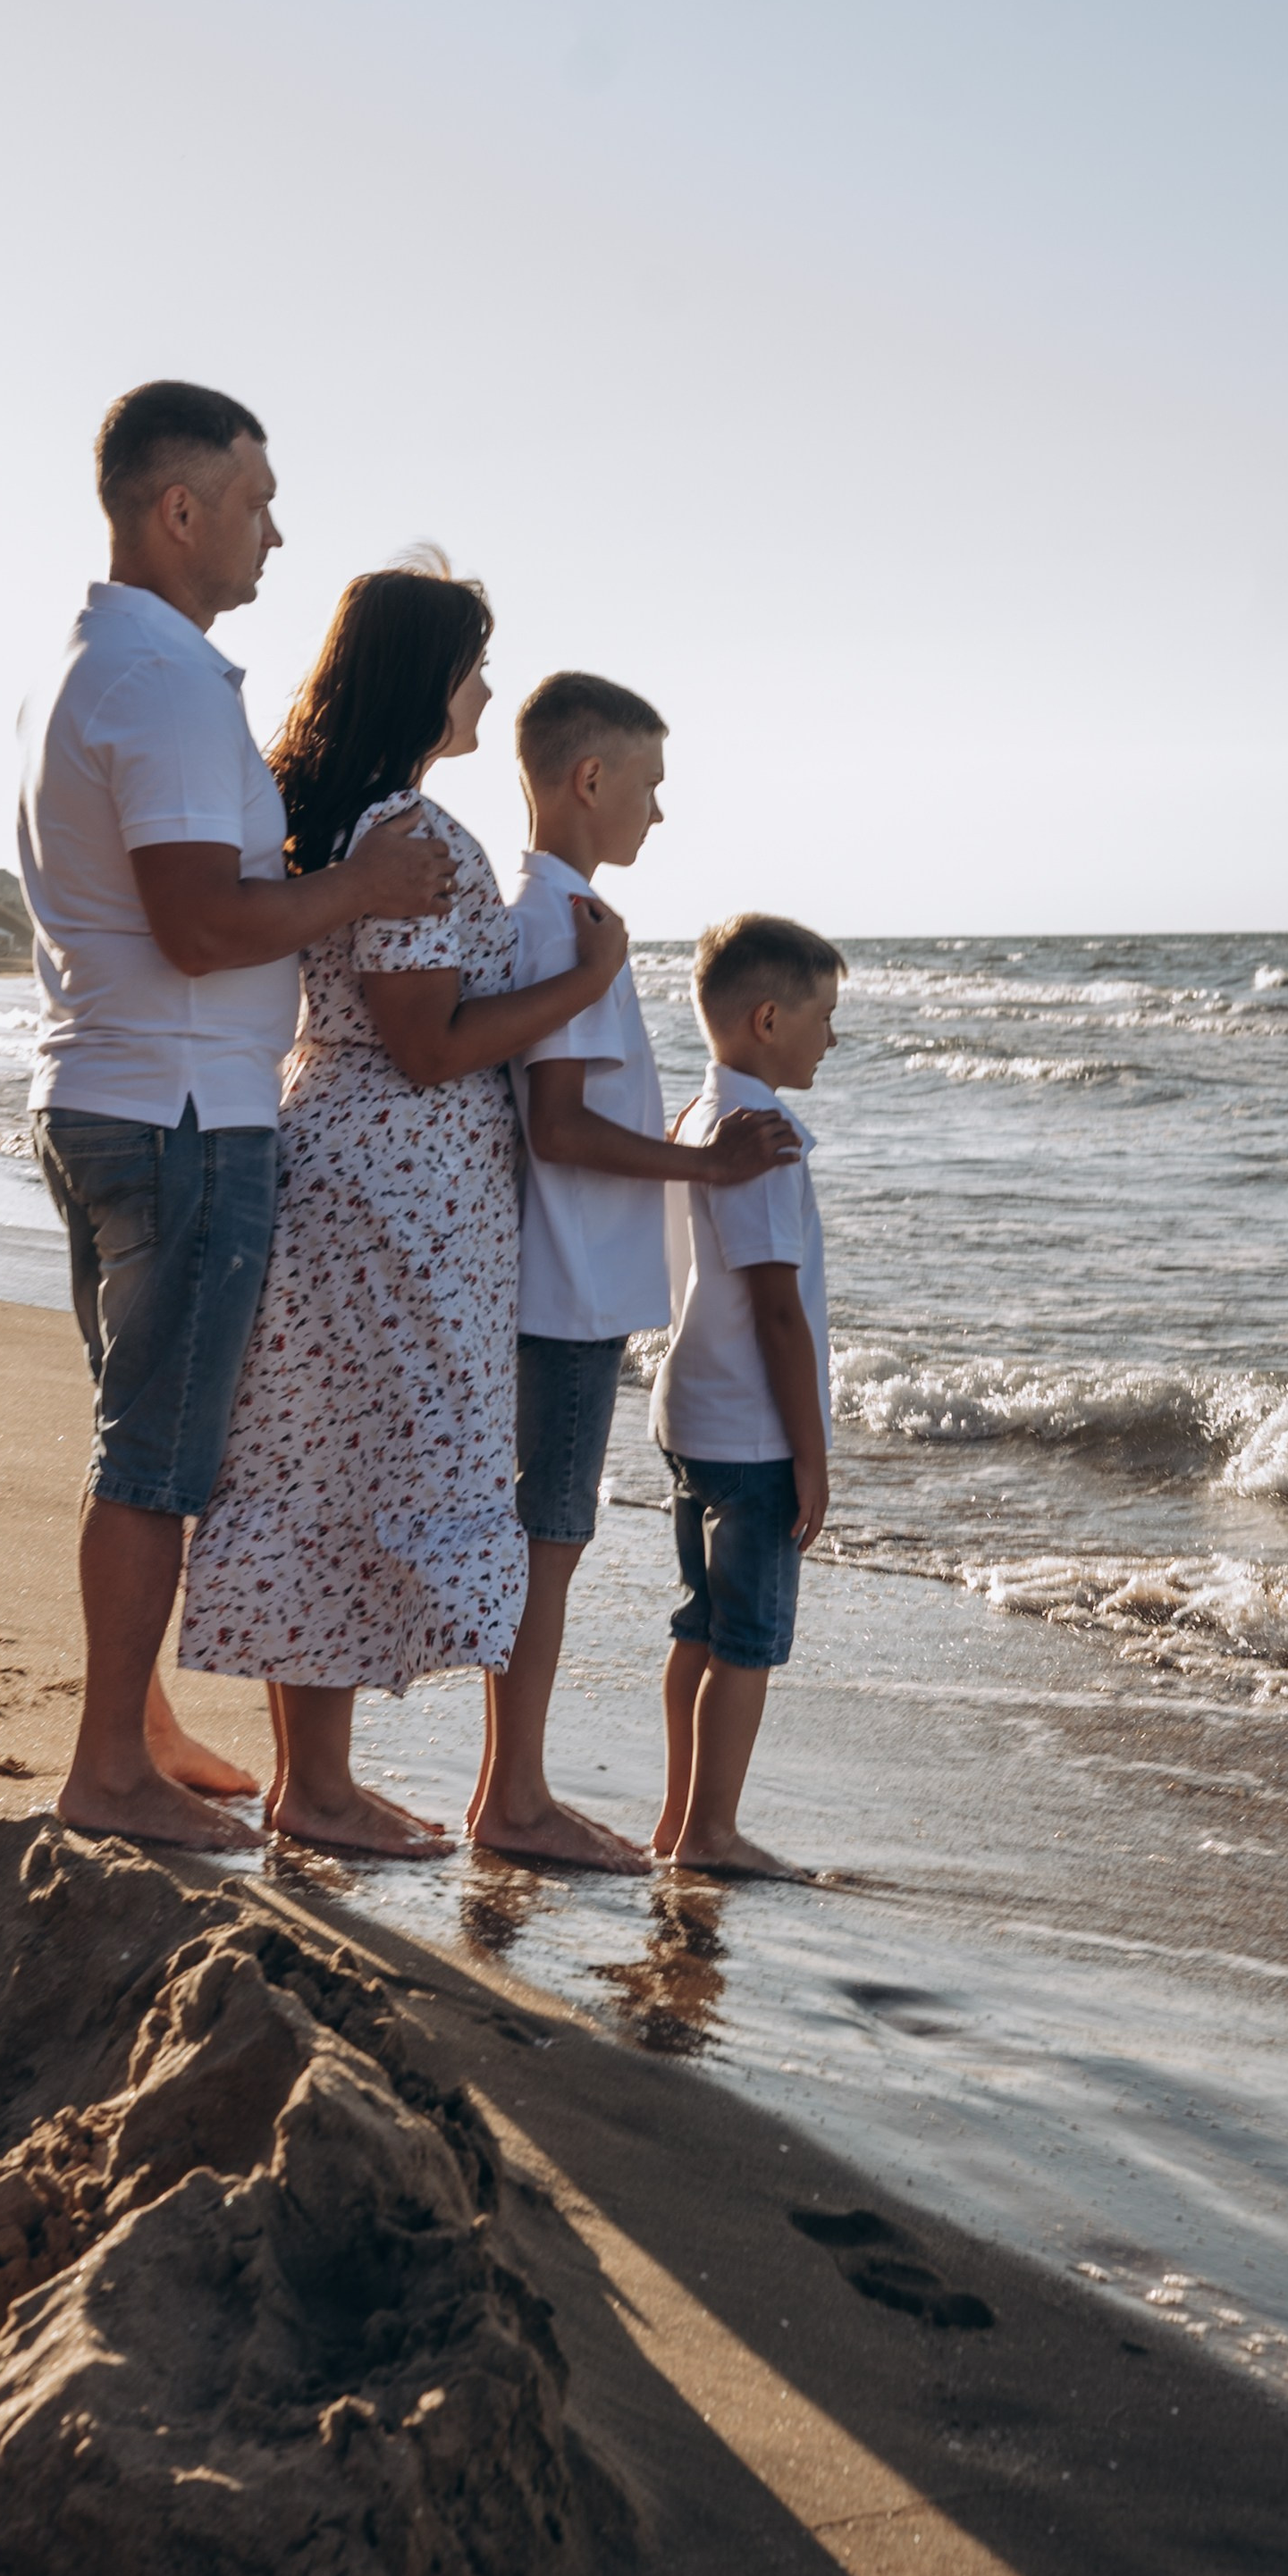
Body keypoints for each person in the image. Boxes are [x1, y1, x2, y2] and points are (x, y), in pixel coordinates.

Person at [20, 381, 456, 1848]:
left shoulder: (100, 665)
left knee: (136, 1440)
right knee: (155, 1461)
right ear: (178, 509)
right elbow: (202, 924)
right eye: (257, 501)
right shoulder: (151, 681)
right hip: (182, 1115)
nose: (277, 531)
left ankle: (135, 1731)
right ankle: (105, 1771)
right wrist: (362, 892)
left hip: (110, 1092)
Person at [179, 565, 632, 1854]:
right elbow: (428, 1043)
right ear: (426, 677)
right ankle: (315, 1790)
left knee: (325, 1460)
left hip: (355, 1169)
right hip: (397, 1189)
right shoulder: (415, 838)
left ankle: (311, 1783)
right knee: (364, 1462)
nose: (486, 686)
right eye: (472, 662)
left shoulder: (342, 820)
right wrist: (586, 982)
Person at [468, 674, 800, 1867]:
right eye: (648, 787)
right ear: (588, 780)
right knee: (546, 1543)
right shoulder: (561, 925)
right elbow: (556, 1125)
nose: (659, 814)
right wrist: (705, 1175)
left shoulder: (566, 918)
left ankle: (511, 1791)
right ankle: (512, 1800)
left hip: (571, 1281)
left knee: (545, 1536)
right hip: (561, 1289)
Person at [651, 912, 846, 1875]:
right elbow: (778, 1314)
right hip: (752, 1433)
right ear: (768, 1019)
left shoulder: (695, 1120)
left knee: (700, 1624)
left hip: (689, 1412)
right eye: (824, 1015)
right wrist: (811, 1455)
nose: (833, 1036)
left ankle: (678, 1818)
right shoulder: (762, 1141)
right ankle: (710, 1833)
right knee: (749, 1640)